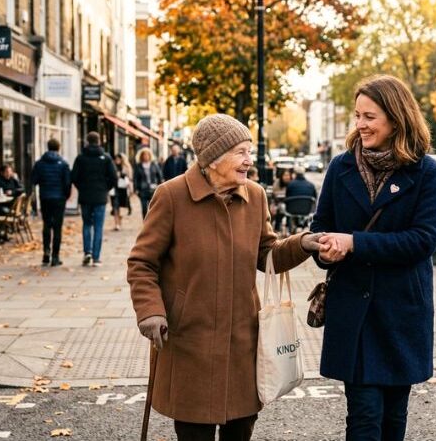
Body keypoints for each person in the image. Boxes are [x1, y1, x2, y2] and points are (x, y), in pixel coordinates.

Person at [128, 113, 326, 441]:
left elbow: (267, 254)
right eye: (241, 152)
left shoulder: (255, 196)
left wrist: (302, 243)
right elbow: (142, 262)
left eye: (249, 151)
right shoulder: (171, 196)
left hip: (242, 341)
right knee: (194, 431)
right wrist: (150, 311)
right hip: (190, 337)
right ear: (213, 158)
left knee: (241, 429)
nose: (250, 160)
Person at [310, 75, 436, 440]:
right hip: (353, 310)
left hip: (401, 312)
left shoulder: (427, 172)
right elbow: (321, 226)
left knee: (393, 417)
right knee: (365, 416)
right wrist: (324, 250)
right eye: (358, 116)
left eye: (369, 116)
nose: (360, 125)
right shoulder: (341, 167)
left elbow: (423, 241)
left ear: (396, 118)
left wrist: (353, 243)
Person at [71, 131, 117, 267]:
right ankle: (96, 257)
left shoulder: (80, 158)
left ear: (87, 141)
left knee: (86, 224)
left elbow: (74, 177)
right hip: (100, 197)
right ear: (99, 141)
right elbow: (113, 177)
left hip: (85, 196)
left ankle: (87, 252)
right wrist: (105, 189)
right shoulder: (106, 158)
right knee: (98, 226)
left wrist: (82, 188)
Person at [31, 138, 71, 267]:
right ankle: (55, 256)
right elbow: (67, 183)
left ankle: (46, 252)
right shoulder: (63, 164)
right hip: (59, 198)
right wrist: (66, 196)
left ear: (47, 147)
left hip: (45, 197)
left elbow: (34, 180)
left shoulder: (39, 163)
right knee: (57, 227)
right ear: (58, 148)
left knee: (47, 225)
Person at [133, 147, 163, 219]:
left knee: (152, 207)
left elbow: (159, 176)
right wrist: (136, 189)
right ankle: (145, 223)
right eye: (144, 155)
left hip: (153, 189)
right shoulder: (138, 166)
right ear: (141, 156)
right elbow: (135, 178)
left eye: (147, 155)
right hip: (142, 189)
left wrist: (159, 185)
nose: (145, 156)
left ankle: (152, 221)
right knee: (144, 208)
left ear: (150, 156)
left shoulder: (154, 165)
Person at [111, 153, 133, 231]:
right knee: (115, 206)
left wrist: (131, 189)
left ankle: (119, 222)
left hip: (123, 190)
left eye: (119, 159)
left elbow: (130, 179)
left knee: (121, 206)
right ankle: (117, 224)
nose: (117, 161)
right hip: (114, 189)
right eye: (116, 159)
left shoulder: (126, 167)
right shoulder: (112, 167)